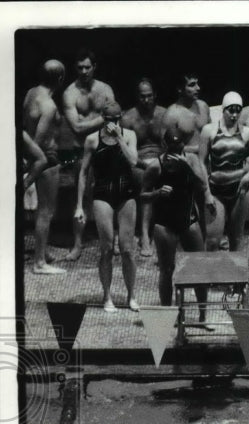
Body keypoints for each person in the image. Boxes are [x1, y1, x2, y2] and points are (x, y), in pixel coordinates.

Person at [141, 126, 214, 326]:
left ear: (183, 144)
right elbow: (142, 195)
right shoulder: (156, 166)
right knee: (166, 269)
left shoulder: (190, 160)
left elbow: (202, 186)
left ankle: (202, 316)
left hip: (188, 220)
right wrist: (156, 193)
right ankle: (167, 315)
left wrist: (187, 167)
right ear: (165, 145)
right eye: (171, 146)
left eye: (178, 145)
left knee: (199, 267)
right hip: (164, 224)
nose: (175, 150)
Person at [74, 102, 140, 312]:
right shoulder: (92, 140)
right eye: (110, 119)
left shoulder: (129, 135)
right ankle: (107, 296)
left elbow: (134, 161)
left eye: (117, 119)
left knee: (128, 250)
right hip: (103, 195)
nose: (114, 123)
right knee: (106, 248)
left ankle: (131, 296)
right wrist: (79, 206)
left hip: (126, 194)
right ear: (103, 118)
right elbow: (83, 173)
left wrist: (119, 137)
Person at [62, 49, 116, 262]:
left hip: (105, 146)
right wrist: (103, 118)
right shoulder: (70, 93)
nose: (83, 71)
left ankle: (114, 238)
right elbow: (76, 127)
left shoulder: (105, 89)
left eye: (87, 67)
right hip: (81, 149)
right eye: (79, 67)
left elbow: (115, 118)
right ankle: (77, 243)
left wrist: (100, 121)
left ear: (95, 67)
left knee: (112, 194)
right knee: (81, 196)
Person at [198, 91, 249, 252]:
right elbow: (201, 163)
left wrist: (248, 177)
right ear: (223, 109)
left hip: (239, 192)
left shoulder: (247, 133)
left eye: (237, 111)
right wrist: (206, 194)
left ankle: (235, 276)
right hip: (216, 191)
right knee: (213, 241)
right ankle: (210, 276)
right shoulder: (209, 131)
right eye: (230, 110)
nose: (234, 115)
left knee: (236, 239)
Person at [22, 58, 67, 274]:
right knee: (46, 211)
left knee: (45, 210)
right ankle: (39, 262)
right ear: (60, 78)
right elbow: (37, 141)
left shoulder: (31, 93)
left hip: (37, 157)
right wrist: (31, 165)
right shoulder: (49, 106)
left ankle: (43, 251)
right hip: (46, 158)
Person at [122, 78, 166, 257]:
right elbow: (125, 150)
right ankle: (145, 235)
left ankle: (165, 231)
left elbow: (168, 144)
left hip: (161, 159)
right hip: (138, 161)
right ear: (137, 97)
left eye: (149, 96)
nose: (146, 100)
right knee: (145, 179)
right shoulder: (128, 118)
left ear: (155, 95)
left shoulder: (164, 114)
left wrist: (161, 161)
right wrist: (143, 163)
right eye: (142, 96)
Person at [162, 72, 210, 154]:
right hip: (186, 162)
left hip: (208, 159)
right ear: (180, 89)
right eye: (192, 85)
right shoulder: (171, 115)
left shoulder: (203, 106)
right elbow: (166, 148)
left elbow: (212, 133)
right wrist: (198, 149)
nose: (198, 88)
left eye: (197, 84)